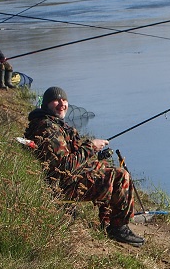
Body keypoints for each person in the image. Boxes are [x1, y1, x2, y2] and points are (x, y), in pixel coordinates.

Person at [25, 86, 145, 246]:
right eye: (56, 100)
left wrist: (92, 153)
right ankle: (118, 228)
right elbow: (65, 166)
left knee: (103, 167)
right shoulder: (48, 128)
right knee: (120, 175)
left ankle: (107, 221)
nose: (61, 104)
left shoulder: (52, 123)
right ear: (46, 104)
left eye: (64, 100)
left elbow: (68, 160)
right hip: (59, 186)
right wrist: (91, 147)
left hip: (62, 180)